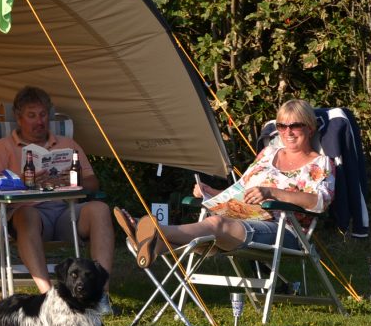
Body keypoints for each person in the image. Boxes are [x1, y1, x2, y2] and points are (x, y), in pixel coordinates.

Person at [114, 99, 335, 268]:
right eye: (281, 126)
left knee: (216, 225)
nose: (287, 132)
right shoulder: (268, 154)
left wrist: (272, 193)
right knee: (208, 233)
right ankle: (148, 243)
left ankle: (155, 231)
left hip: (283, 231)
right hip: (241, 220)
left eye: (295, 126)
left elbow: (320, 203)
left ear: (309, 128)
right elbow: (241, 190)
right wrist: (211, 193)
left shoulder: (321, 163)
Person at [0, 86, 116, 314]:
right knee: (27, 214)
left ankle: (102, 296)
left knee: (100, 209)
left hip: (65, 213)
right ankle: (48, 297)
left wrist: (73, 179)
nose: (39, 121)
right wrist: (22, 181)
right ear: (19, 117)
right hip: (29, 216)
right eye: (32, 115)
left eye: (43, 115)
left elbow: (93, 184)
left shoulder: (67, 144)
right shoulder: (3, 147)